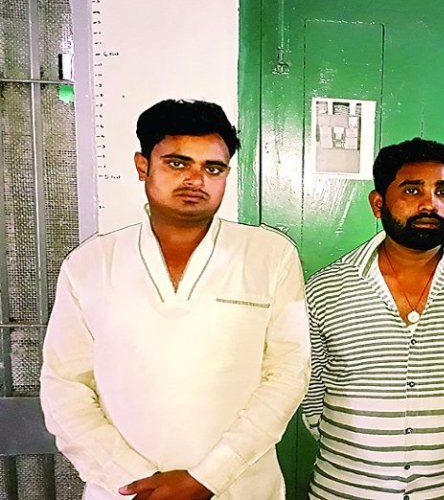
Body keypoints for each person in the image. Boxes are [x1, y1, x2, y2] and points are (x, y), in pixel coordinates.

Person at [40, 99, 310, 500]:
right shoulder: (92, 264)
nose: (196, 179)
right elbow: (65, 386)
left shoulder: (269, 255)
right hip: (126, 491)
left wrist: (208, 477)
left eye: (213, 168)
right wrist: (131, 478)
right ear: (142, 166)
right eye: (177, 163)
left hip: (240, 486)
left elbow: (287, 374)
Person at [301, 138, 444, 499]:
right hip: (347, 489)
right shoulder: (326, 289)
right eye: (412, 190)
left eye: (443, 191)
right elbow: (309, 386)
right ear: (378, 204)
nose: (430, 204)